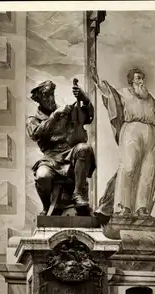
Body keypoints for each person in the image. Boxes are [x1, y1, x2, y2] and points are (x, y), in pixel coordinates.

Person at [91, 66, 155, 220]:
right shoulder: (124, 93)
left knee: (148, 172)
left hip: (152, 136)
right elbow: (111, 97)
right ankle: (123, 207)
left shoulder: (151, 100)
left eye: (142, 78)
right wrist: (99, 83)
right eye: (138, 78)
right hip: (131, 130)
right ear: (131, 80)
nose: (141, 81)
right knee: (129, 167)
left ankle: (142, 208)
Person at [26, 80, 96, 215]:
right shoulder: (33, 119)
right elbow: (36, 134)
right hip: (50, 159)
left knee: (84, 148)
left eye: (52, 94)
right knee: (42, 176)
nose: (51, 98)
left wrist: (85, 100)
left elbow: (87, 117)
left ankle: (77, 194)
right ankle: (46, 207)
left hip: (70, 154)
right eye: (46, 95)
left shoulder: (65, 112)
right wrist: (55, 116)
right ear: (39, 99)